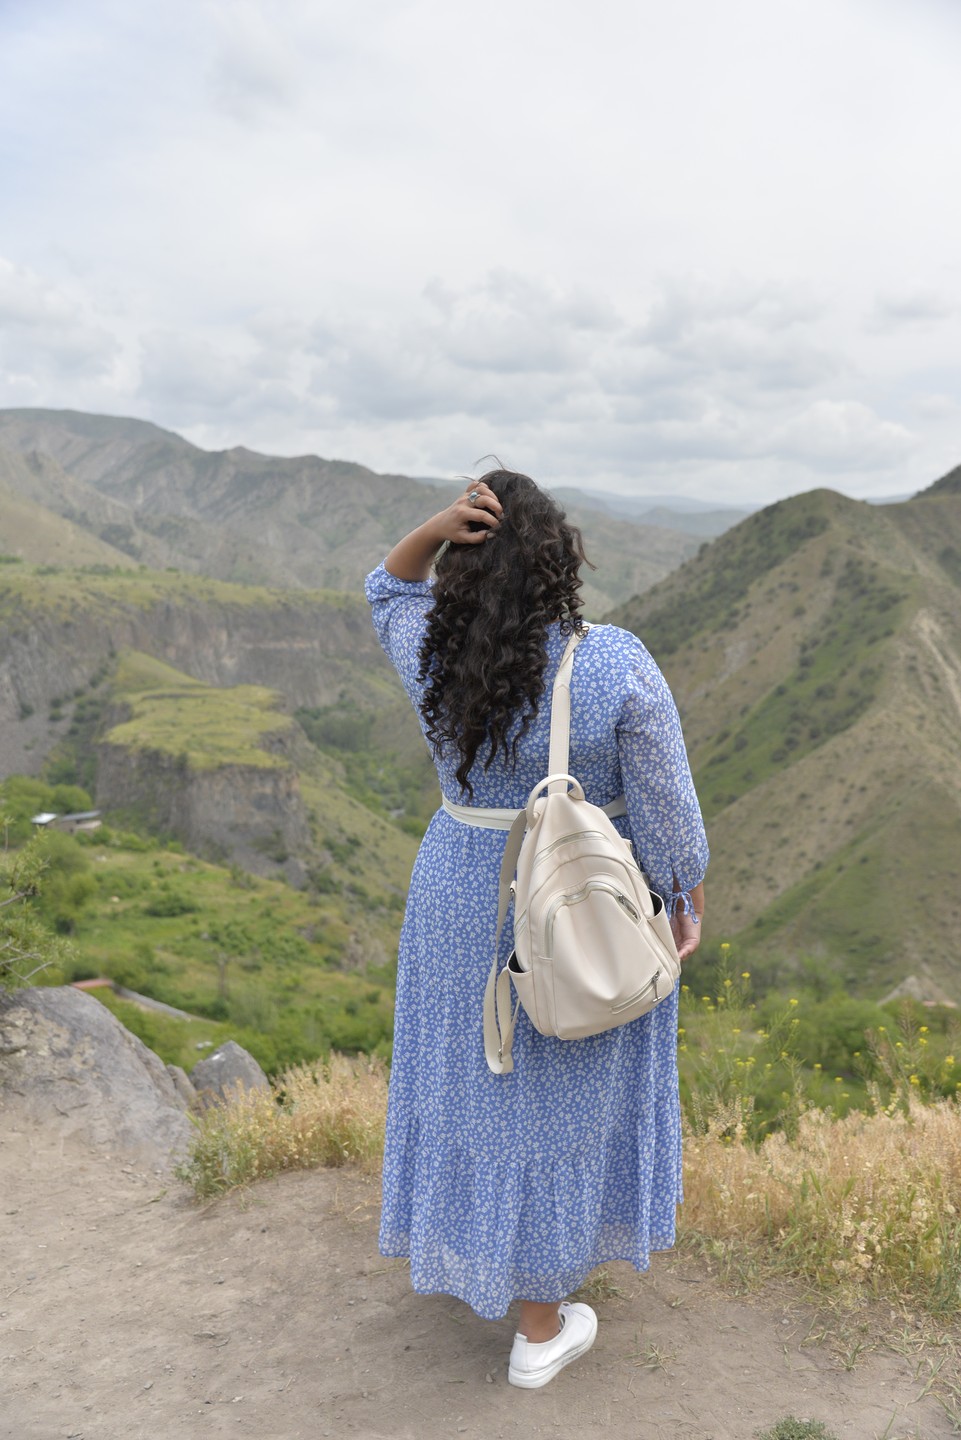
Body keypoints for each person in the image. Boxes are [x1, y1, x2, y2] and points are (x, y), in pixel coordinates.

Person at [365, 469, 708, 1389]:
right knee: (566, 1098)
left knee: (479, 1084)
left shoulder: (433, 649)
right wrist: (682, 892)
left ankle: (485, 1255)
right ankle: (539, 1327)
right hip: (574, 903)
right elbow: (669, 810)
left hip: (457, 894)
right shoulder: (613, 661)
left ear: (463, 565)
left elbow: (386, 586)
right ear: (559, 559)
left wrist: (435, 527)